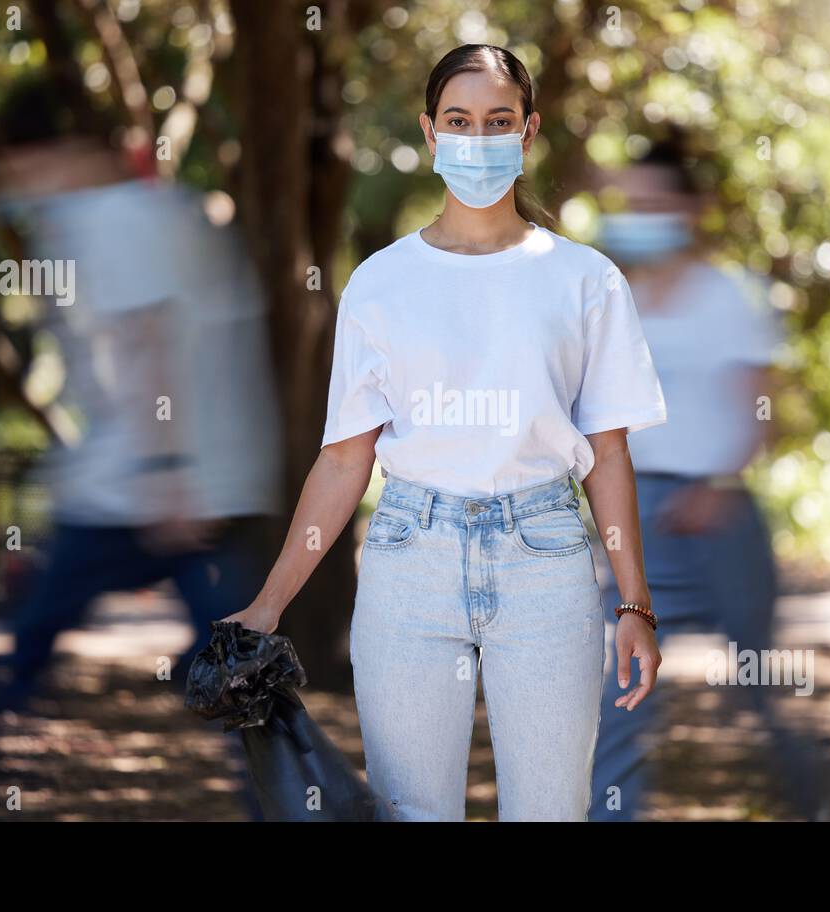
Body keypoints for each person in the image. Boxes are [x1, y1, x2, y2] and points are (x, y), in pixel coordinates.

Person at [220, 44, 667, 822]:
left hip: (548, 561)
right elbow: (342, 461)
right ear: (429, 134)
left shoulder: (585, 280)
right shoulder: (380, 284)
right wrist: (268, 603)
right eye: (458, 121)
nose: (478, 138)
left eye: (499, 122)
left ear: (528, 134)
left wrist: (635, 604)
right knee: (411, 814)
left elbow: (608, 454)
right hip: (408, 563)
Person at [0, 78, 283, 714]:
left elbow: (151, 345)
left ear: (57, 154)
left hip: (145, 491)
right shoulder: (152, 209)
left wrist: (165, 474)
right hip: (203, 482)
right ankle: (305, 804)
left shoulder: (107, 219)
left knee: (31, 643)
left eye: (18, 170)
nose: (16, 190)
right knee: (237, 673)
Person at [588, 139, 830, 820]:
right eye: (631, 204)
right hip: (643, 524)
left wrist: (718, 486)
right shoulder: (614, 298)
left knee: (757, 690)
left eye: (655, 203)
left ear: (692, 209)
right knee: (623, 698)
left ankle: (819, 806)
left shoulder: (731, 295)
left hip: (721, 520)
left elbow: (763, 411)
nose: (640, 215)